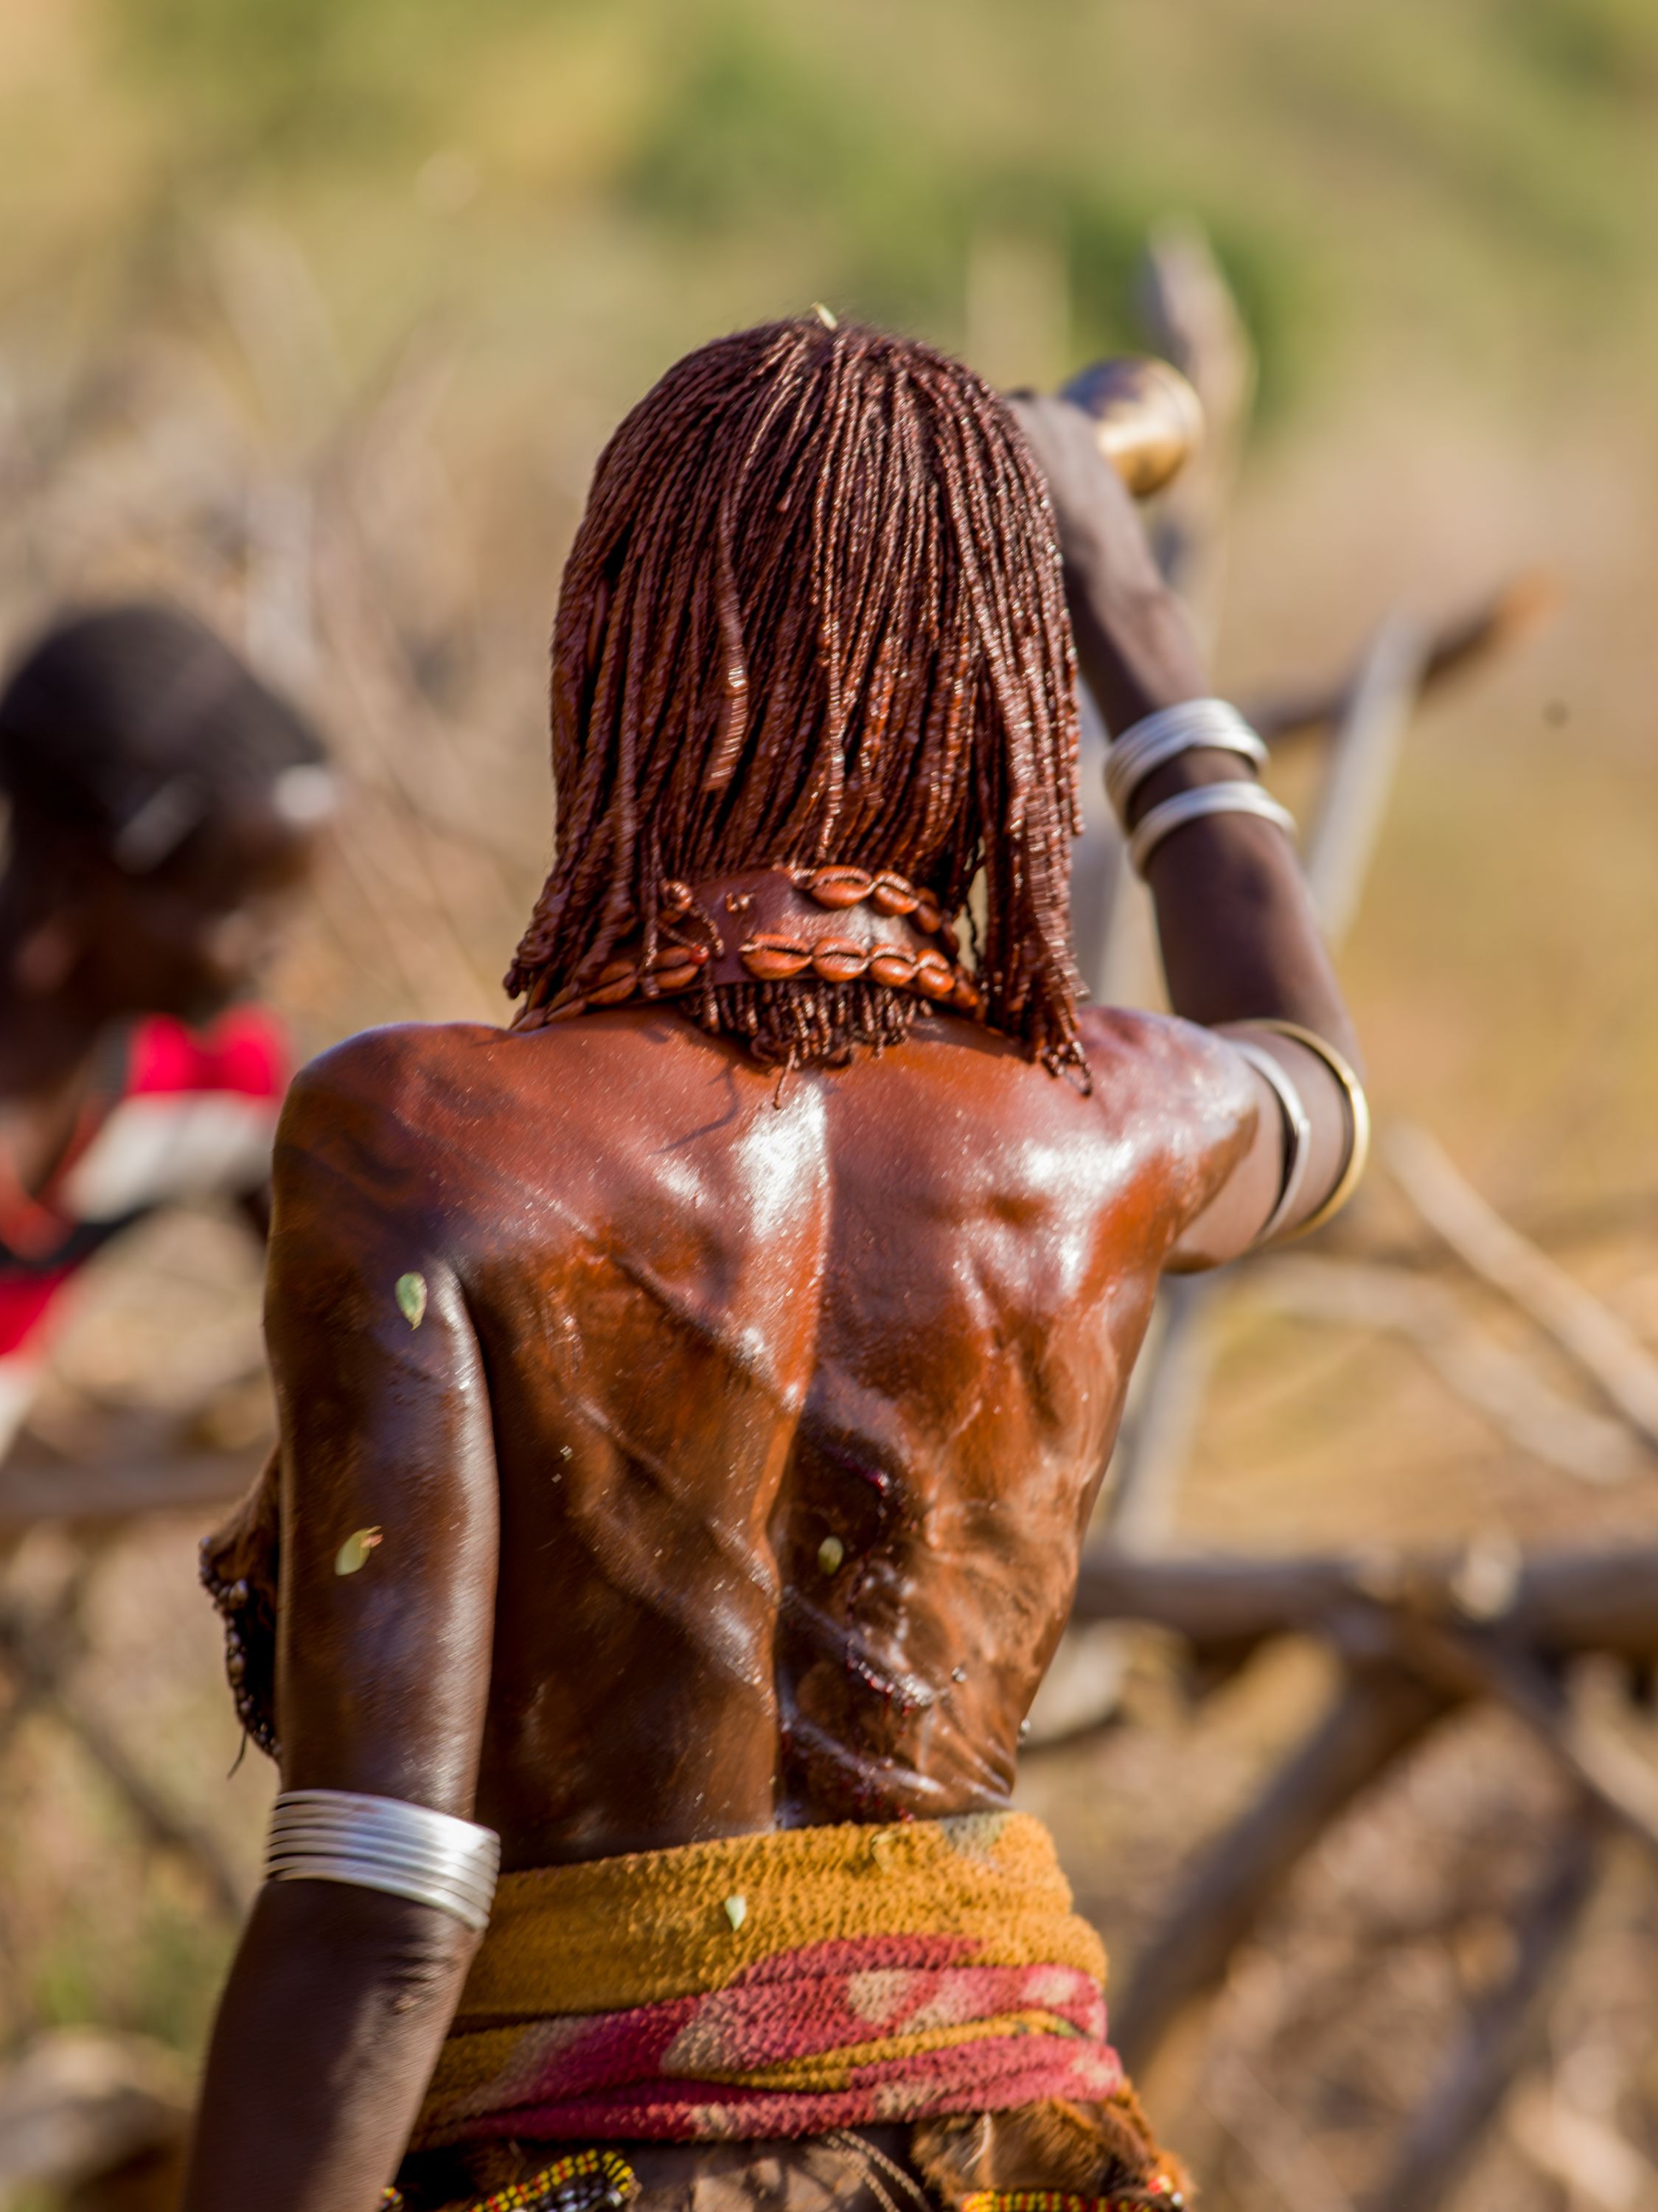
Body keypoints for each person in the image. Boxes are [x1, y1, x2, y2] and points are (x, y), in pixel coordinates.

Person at [189, 319, 1367, 2212]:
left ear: (616, 649)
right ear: (999, 693)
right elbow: (1316, 1080)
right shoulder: (1112, 1125)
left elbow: (382, 1908)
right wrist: (1127, 607)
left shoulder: (425, 1140)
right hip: (1008, 2154)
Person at [0, 602, 333, 1460]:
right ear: (77, 881)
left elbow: (353, 1310)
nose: (273, 951)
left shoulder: (207, 1083)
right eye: (238, 908)